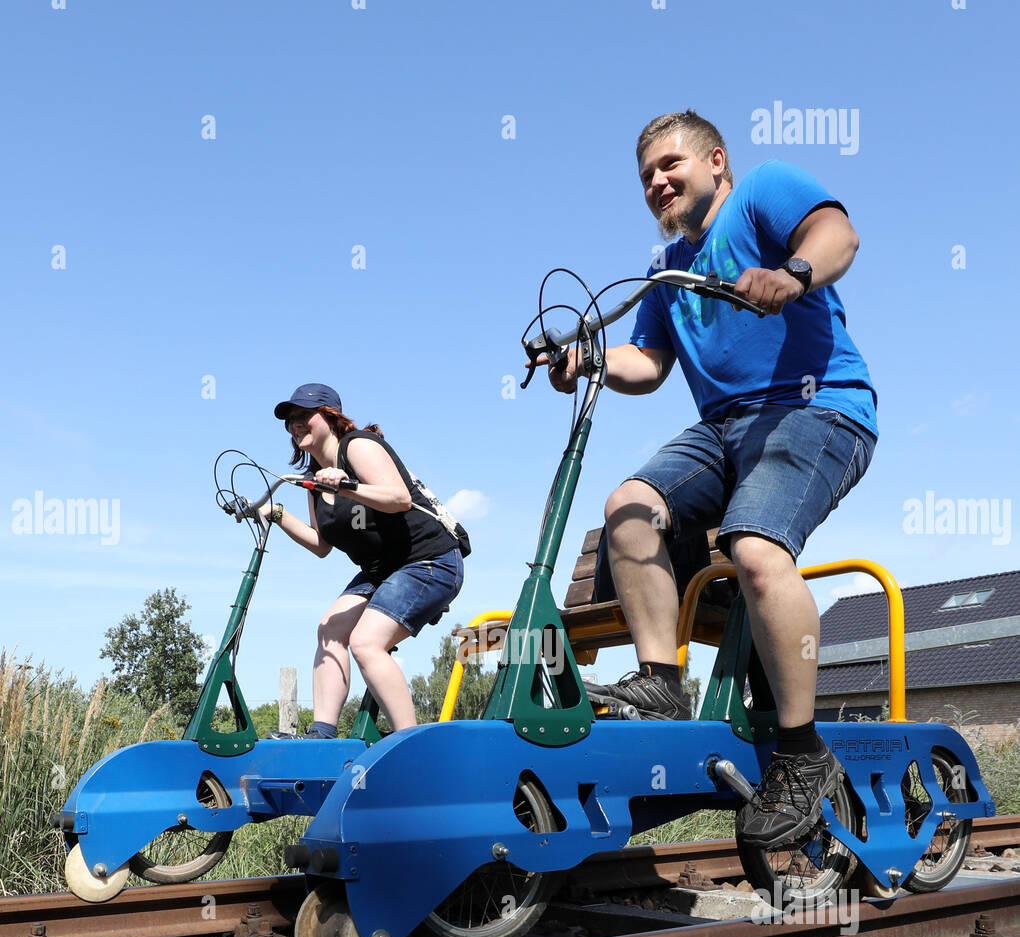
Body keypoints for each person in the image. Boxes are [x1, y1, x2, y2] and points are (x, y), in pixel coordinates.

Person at [546, 110, 878, 851]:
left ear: (717, 162)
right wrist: (589, 360)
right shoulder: (668, 269)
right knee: (628, 507)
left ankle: (801, 754)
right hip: (723, 428)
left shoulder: (765, 190)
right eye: (646, 177)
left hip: (815, 406)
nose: (658, 182)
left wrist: (792, 275)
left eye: (671, 165)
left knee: (755, 549)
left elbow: (837, 236)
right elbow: (649, 365)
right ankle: (661, 681)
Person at [263, 384, 465, 734]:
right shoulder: (313, 480)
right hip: (381, 571)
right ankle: (322, 736)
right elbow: (321, 544)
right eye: (290, 420)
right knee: (330, 629)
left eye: (303, 415)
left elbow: (398, 498)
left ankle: (407, 742)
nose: (295, 425)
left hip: (427, 560)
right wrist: (277, 514)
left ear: (330, 415)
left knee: (365, 642)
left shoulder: (358, 446)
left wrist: (345, 485)